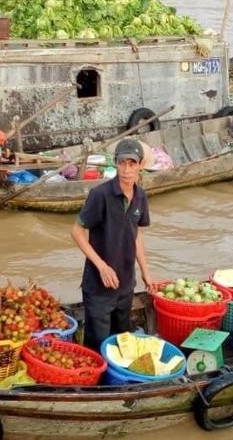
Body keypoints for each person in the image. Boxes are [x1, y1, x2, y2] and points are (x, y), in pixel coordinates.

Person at [71, 138, 153, 350]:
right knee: (97, 346)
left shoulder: (141, 197)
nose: (126, 170)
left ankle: (118, 381)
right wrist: (102, 266)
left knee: (120, 341)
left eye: (132, 164)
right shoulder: (101, 195)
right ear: (115, 163)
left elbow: (136, 234)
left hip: (126, 285)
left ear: (140, 165)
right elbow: (77, 232)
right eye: (122, 163)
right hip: (99, 288)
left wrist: (145, 271)